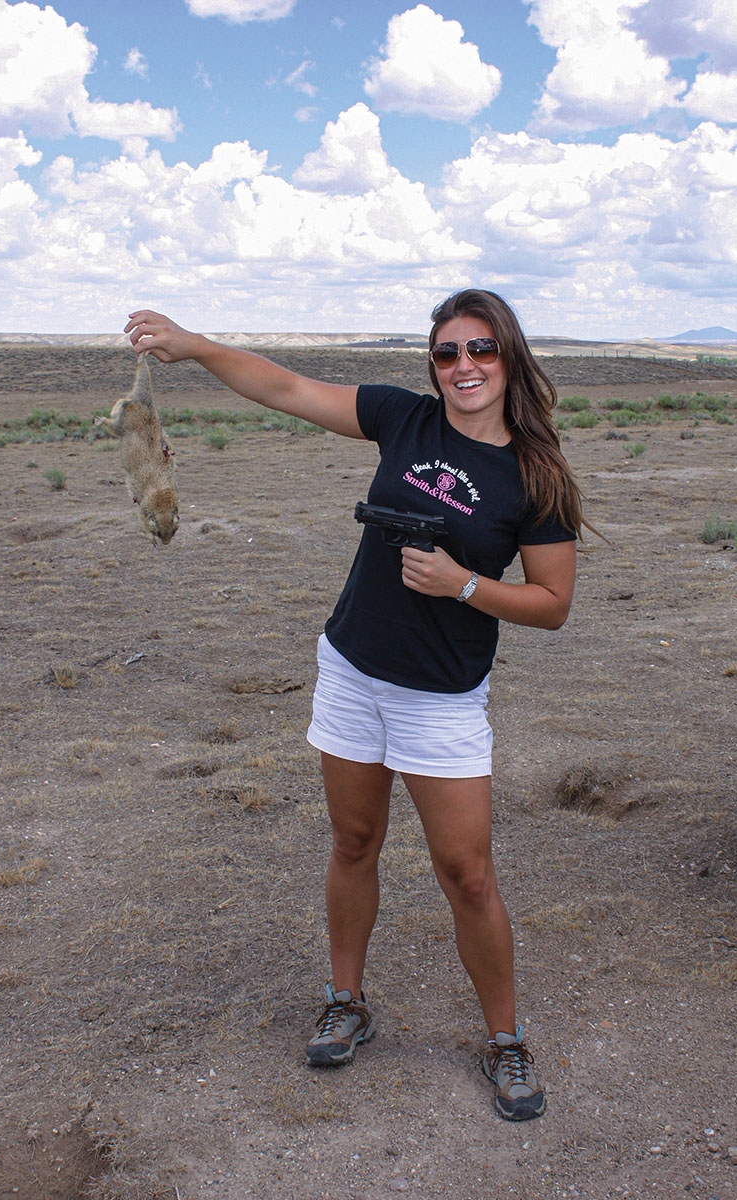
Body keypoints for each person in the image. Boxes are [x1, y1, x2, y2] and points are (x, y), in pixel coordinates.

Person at [125, 288, 582, 1122]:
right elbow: (286, 388)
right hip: (352, 671)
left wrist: (465, 584)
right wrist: (193, 345)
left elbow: (553, 602)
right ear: (432, 365)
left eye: (480, 349)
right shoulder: (405, 421)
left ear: (508, 355)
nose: (463, 367)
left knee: (468, 876)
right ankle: (347, 1000)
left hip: (440, 699)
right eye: (447, 353)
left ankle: (506, 1041)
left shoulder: (536, 474)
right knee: (353, 839)